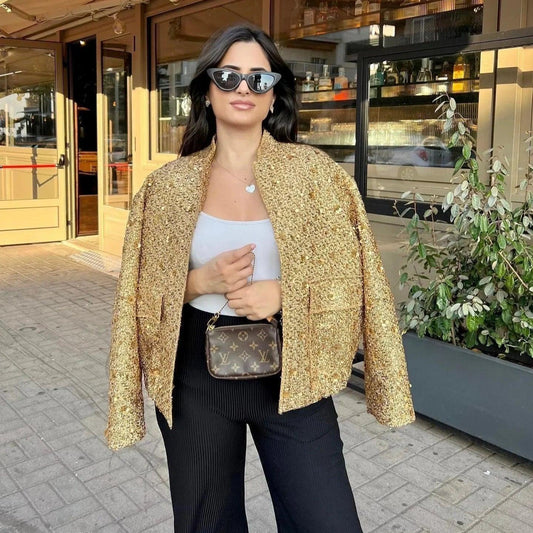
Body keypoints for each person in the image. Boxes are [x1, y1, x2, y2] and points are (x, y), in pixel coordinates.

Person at [105, 24, 415, 533]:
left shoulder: (317, 176)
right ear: (207, 91)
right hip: (195, 375)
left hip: (296, 370)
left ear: (275, 95)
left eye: (259, 78)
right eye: (228, 77)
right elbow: (138, 296)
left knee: (327, 521)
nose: (243, 88)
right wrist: (199, 281)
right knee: (208, 524)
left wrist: (285, 293)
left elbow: (358, 279)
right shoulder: (167, 187)